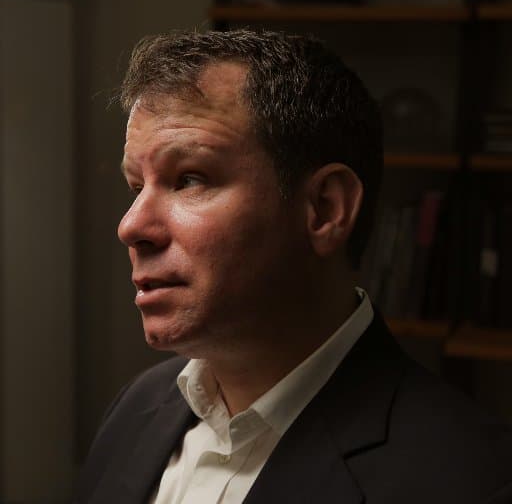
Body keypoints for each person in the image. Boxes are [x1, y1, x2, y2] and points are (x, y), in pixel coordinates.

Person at [75, 30, 512, 504]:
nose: (131, 226)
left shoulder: (474, 481)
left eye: (190, 179)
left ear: (325, 209)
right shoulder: (134, 408)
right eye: (136, 187)